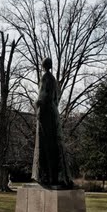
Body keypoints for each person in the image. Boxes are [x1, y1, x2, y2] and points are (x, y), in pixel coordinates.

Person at [33, 57, 72, 189]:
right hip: (53, 113)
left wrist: (38, 106)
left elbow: (43, 96)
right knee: (54, 144)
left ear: (44, 66)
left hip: (46, 113)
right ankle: (55, 176)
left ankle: (47, 176)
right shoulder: (54, 80)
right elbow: (55, 98)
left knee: (46, 144)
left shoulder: (45, 78)